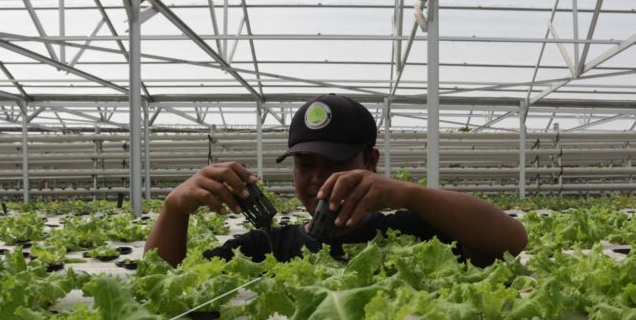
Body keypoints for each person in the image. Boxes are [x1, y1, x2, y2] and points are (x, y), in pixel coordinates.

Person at [144, 94, 527, 268]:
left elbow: (512, 240)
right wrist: (174, 209)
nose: (318, 180)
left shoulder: (415, 232)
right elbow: (161, 283)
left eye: (338, 163)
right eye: (305, 164)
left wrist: (408, 193)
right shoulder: (268, 247)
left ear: (370, 162)